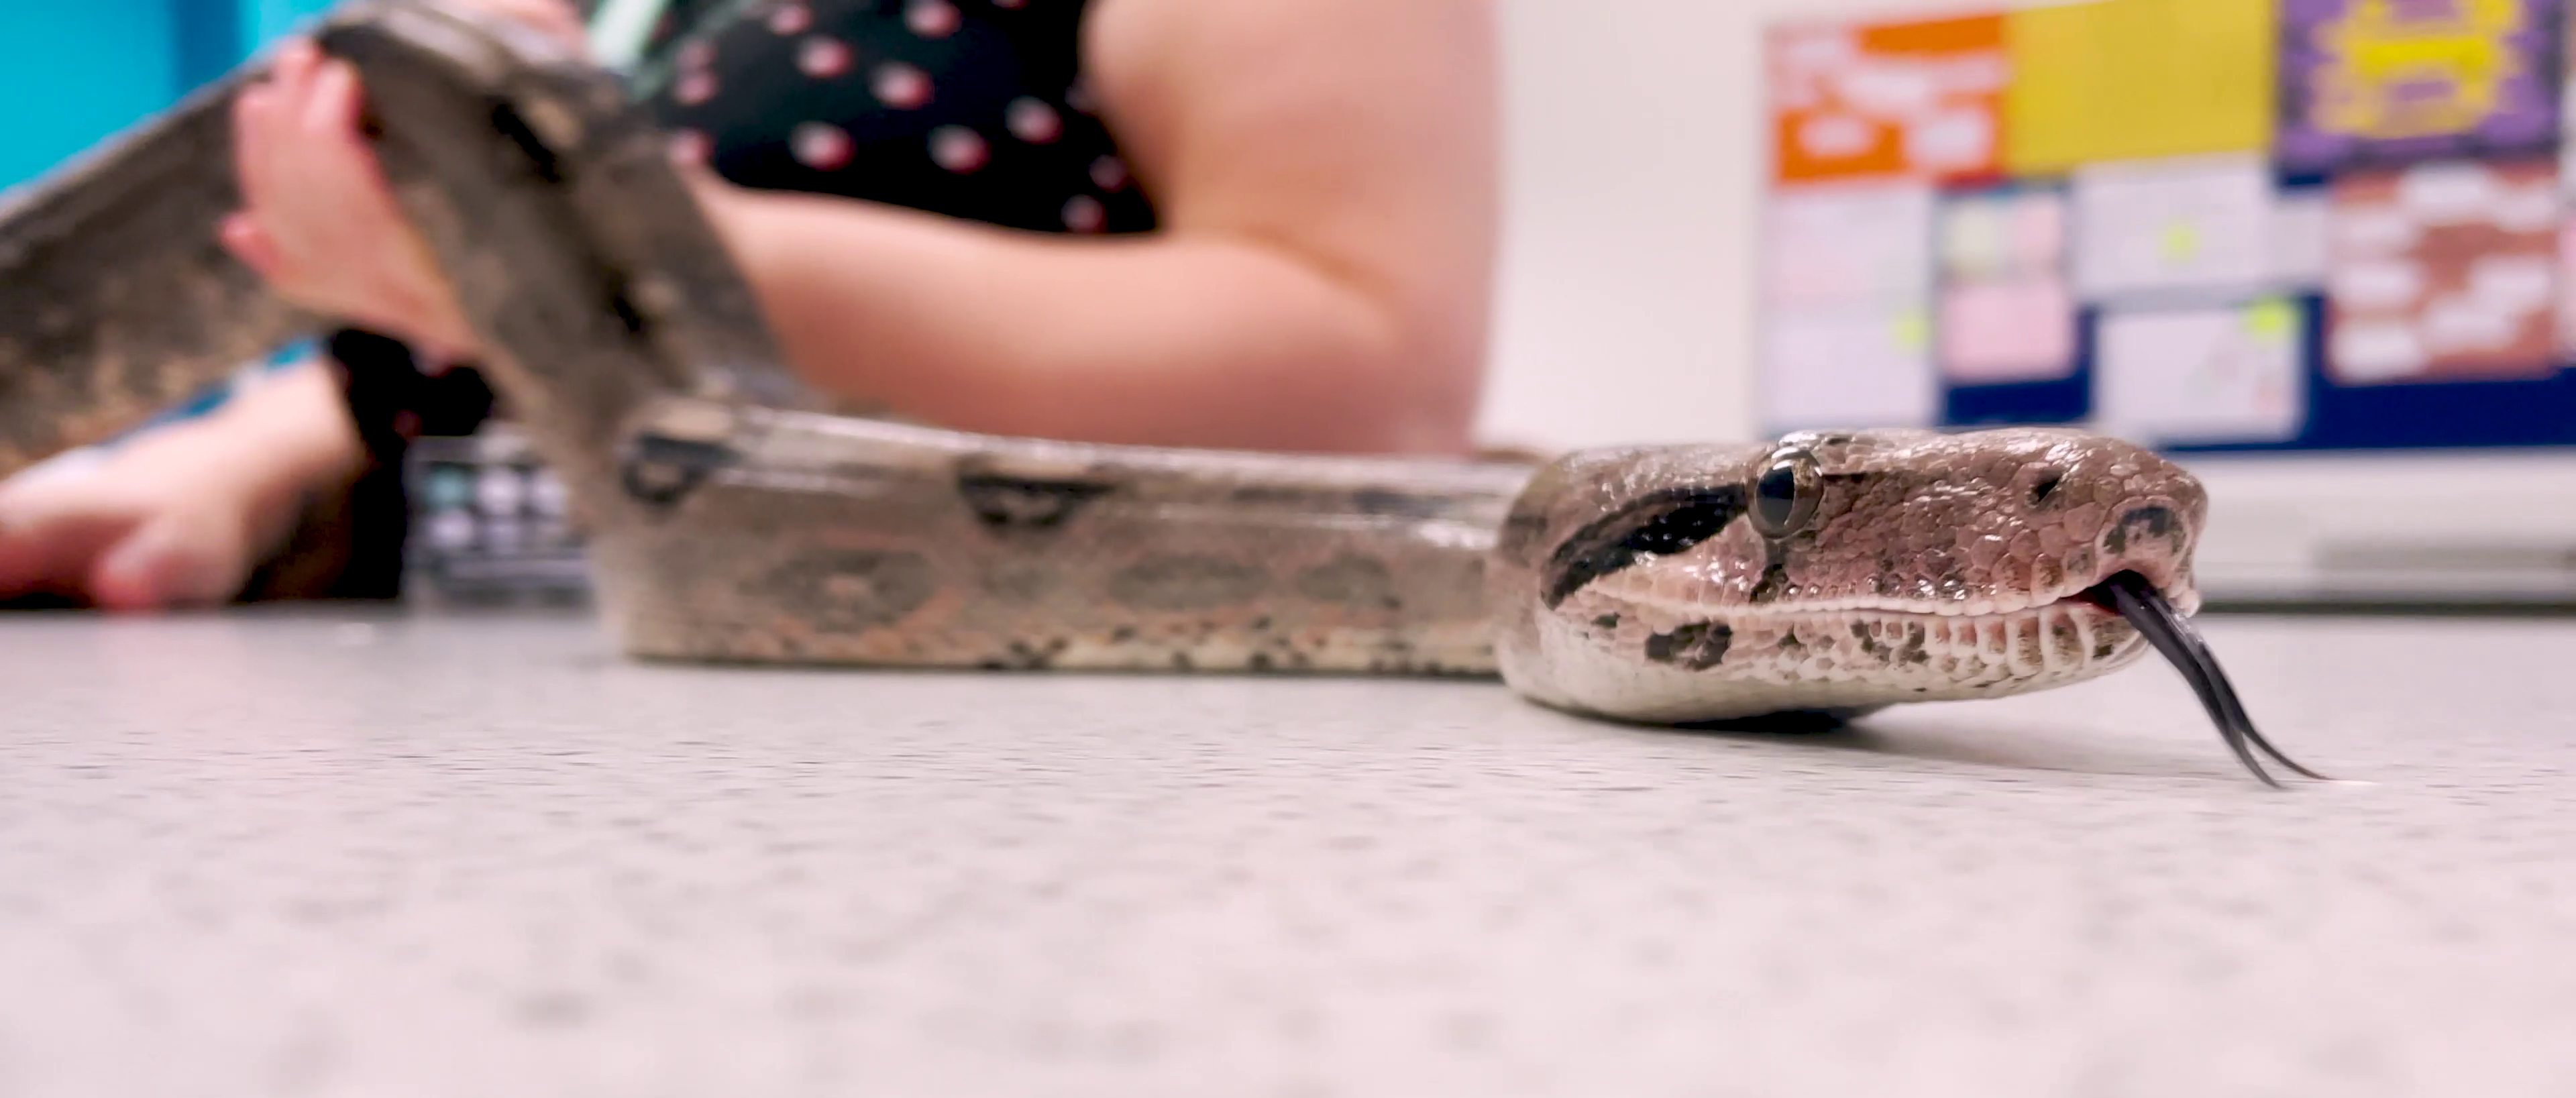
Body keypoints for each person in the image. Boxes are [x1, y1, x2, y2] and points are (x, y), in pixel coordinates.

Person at [0, 0, 1497, 610]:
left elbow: (1373, 373)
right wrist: (229, 463)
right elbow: (510, 354)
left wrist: (627, 250)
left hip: (995, 795)